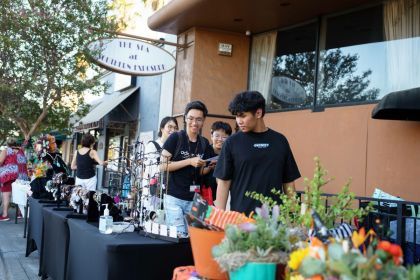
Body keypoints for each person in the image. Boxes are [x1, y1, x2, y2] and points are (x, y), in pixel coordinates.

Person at [213, 91, 301, 215]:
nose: (239, 121)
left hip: (274, 222)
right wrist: (219, 217)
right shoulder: (232, 143)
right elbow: (223, 182)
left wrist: (294, 216)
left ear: (258, 113)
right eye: (237, 116)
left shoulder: (280, 141)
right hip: (241, 220)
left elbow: (288, 182)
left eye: (243, 116)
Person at [161, 101, 214, 235]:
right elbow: (162, 166)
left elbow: (201, 172)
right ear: (185, 118)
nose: (194, 123)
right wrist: (189, 161)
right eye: (191, 118)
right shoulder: (175, 138)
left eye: (198, 119)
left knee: (196, 237)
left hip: (195, 198)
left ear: (203, 121)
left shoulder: (204, 143)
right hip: (173, 197)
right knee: (179, 236)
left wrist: (210, 167)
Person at [202, 121, 232, 202]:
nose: (220, 139)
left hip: (221, 195)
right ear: (211, 136)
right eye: (217, 136)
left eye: (224, 137)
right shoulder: (204, 151)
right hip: (203, 193)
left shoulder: (230, 154)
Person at [0, 137, 28, 221]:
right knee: (19, 194)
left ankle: (5, 215)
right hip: (21, 176)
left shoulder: (6, 150)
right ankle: (19, 213)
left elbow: (0, 162)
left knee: (6, 194)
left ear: (7, 144)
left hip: (9, 175)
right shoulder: (21, 151)